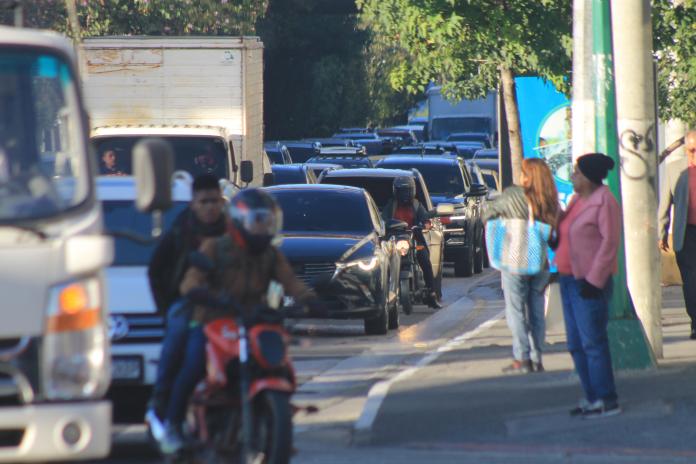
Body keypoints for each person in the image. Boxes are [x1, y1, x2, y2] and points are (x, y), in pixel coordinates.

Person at [159, 188, 317, 454]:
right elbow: (191, 282)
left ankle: (273, 420)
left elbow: (290, 281)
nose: (263, 227)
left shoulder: (270, 254)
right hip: (214, 320)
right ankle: (172, 425)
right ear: (241, 219)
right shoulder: (216, 247)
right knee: (194, 363)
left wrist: (310, 300)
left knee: (277, 363)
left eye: (268, 220)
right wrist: (206, 295)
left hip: (253, 319)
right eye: (258, 220)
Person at [146, 174, 226, 422]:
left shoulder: (233, 231)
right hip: (188, 303)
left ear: (222, 202)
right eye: (204, 202)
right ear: (193, 203)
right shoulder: (180, 232)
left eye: (214, 201)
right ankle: (162, 399)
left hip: (226, 303)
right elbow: (155, 271)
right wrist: (165, 309)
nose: (210, 207)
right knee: (178, 336)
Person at [557, 152, 621, 418]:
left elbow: (609, 242)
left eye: (577, 173)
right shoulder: (576, 200)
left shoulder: (604, 201)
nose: (573, 176)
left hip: (588, 281)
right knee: (575, 343)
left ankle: (606, 398)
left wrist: (595, 280)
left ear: (589, 178)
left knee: (592, 341)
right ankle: (591, 396)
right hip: (568, 278)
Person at [483, 158, 559, 374]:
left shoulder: (512, 195)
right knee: (536, 310)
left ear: (528, 176)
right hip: (541, 263)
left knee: (515, 310)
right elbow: (556, 235)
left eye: (523, 172)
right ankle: (537, 358)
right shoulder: (549, 199)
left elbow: (487, 215)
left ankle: (522, 357)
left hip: (514, 259)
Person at [658, 130, 696, 340]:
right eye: (691, 150)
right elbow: (665, 203)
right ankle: (695, 322)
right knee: (690, 281)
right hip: (686, 233)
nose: (694, 155)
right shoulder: (675, 170)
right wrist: (662, 232)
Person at [382, 176, 442, 309]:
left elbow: (425, 218)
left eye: (407, 191)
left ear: (413, 191)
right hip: (395, 241)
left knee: (425, 260)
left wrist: (425, 224)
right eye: (401, 191)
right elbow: (383, 219)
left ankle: (431, 294)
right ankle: (383, 293)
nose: (404, 194)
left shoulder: (417, 205)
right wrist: (385, 225)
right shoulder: (391, 205)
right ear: (395, 191)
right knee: (384, 262)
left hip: (415, 240)